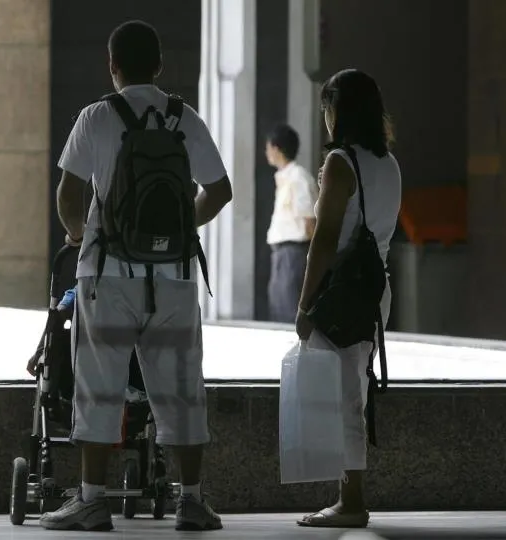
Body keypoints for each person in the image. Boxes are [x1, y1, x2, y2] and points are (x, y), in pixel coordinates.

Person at [41, 19, 232, 533]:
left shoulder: (96, 117)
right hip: (173, 278)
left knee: (99, 388)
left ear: (113, 66)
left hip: (109, 279)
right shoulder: (183, 118)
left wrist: (83, 234)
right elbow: (220, 191)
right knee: (182, 390)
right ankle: (191, 501)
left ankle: (91, 501)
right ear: (160, 66)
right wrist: (175, 227)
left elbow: (67, 193)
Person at [293, 69, 401, 528]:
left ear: (338, 110)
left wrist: (303, 305)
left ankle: (351, 498)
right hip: (375, 291)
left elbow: (325, 240)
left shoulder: (341, 163)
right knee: (351, 391)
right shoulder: (388, 163)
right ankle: (346, 493)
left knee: (344, 399)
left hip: (340, 293)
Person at [264, 124, 318, 323]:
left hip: (294, 253)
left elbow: (310, 221)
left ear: (276, 148)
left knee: (289, 310)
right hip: (281, 253)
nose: (267, 152)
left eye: (268, 147)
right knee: (278, 307)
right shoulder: (286, 177)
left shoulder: (299, 178)